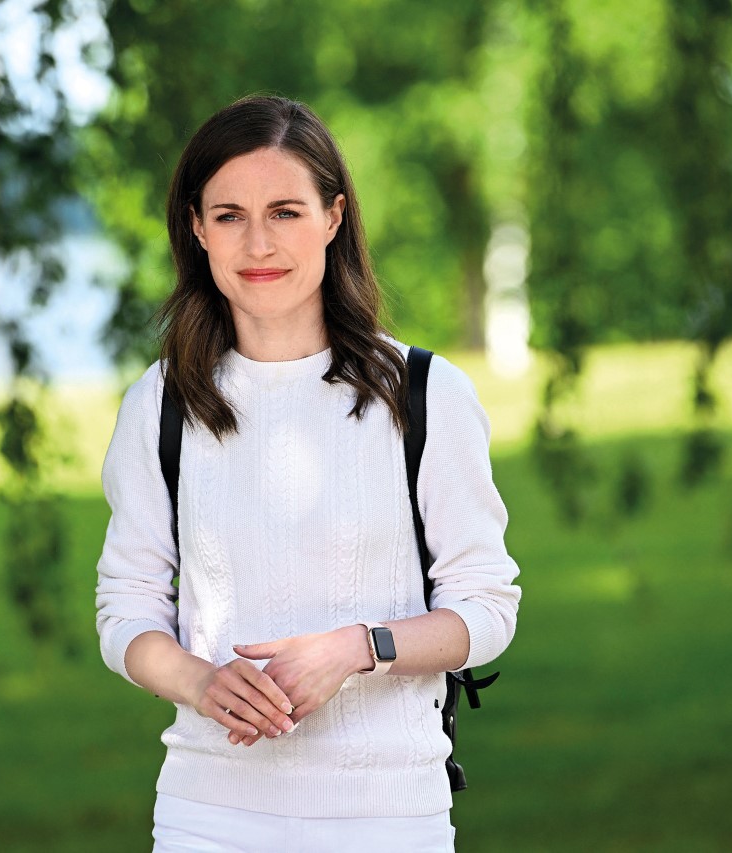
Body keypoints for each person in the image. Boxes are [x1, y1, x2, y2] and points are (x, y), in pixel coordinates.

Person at [95, 95, 521, 852]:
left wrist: (359, 648)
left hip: (388, 816)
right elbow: (125, 608)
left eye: (285, 212)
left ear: (333, 216)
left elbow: (487, 609)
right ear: (197, 229)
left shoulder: (423, 395)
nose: (258, 243)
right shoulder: (161, 404)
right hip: (206, 815)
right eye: (229, 215)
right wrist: (200, 682)